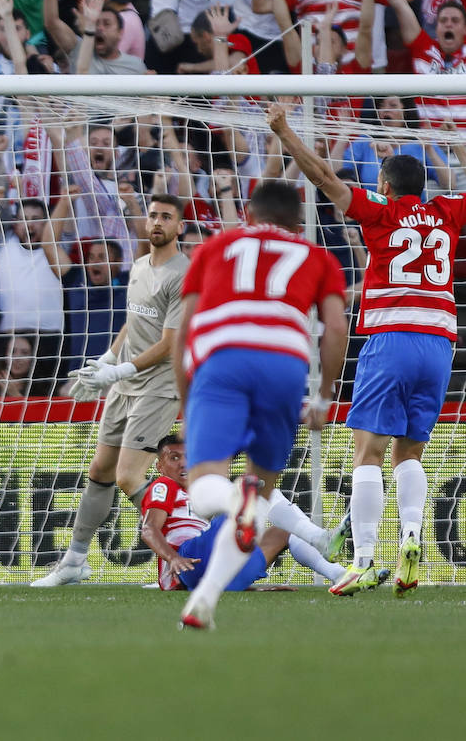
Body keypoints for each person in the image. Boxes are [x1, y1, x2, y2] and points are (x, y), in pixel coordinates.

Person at [267, 104, 466, 599]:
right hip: (440, 345)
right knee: (408, 452)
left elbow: (324, 175)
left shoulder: (379, 211)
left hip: (392, 338)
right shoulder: (447, 210)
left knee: (367, 453)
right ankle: (412, 537)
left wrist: (285, 130)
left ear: (387, 186)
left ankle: (365, 561)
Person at [171, 176, 348, 630]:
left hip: (223, 358)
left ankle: (237, 500)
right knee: (261, 492)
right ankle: (204, 604)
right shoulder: (318, 257)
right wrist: (324, 396)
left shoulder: (215, 246)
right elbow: (336, 329)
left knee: (206, 486)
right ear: (298, 221)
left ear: (249, 215)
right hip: (285, 368)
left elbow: (185, 328)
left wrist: (189, 402)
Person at [30, 195, 191, 587]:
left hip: (158, 384)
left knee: (128, 476)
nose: (157, 222)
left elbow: (169, 343)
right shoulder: (137, 266)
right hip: (125, 382)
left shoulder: (184, 275)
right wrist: (107, 359)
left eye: (166, 217)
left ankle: (185, 554)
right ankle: (74, 561)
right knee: (100, 471)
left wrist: (118, 370)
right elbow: (133, 325)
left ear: (180, 227)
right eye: (152, 215)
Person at [140, 434, 355, 593]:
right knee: (246, 500)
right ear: (160, 466)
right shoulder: (164, 485)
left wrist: (254, 589)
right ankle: (319, 538)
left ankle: (340, 575)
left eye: (188, 456)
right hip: (187, 567)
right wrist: (174, 557)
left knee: (283, 532)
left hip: (216, 577)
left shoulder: (197, 494)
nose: (184, 463)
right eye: (174, 458)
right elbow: (149, 529)